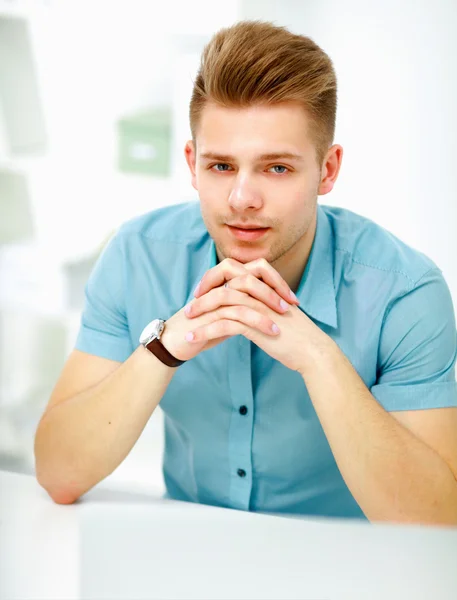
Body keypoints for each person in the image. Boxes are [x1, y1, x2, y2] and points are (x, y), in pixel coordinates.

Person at [34, 20, 457, 524]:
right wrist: (165, 347)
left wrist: (319, 358)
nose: (242, 199)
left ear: (328, 170)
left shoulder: (405, 293)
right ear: (192, 163)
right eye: (221, 167)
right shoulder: (136, 256)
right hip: (190, 556)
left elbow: (435, 519)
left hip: (351, 570)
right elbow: (58, 473)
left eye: (277, 168)